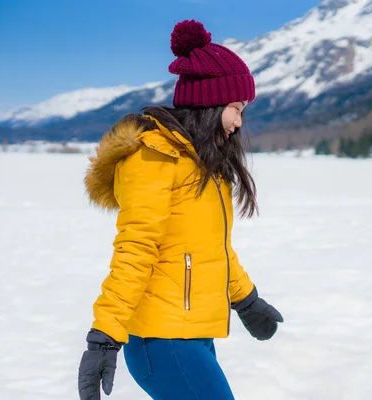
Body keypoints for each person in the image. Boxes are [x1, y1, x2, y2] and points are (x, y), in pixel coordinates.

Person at [77, 19, 283, 400]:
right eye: (236, 108)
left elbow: (211, 249)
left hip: (195, 334)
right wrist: (104, 337)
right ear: (211, 101)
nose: (239, 121)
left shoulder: (204, 164)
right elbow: (135, 249)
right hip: (163, 339)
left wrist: (246, 299)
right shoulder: (154, 159)